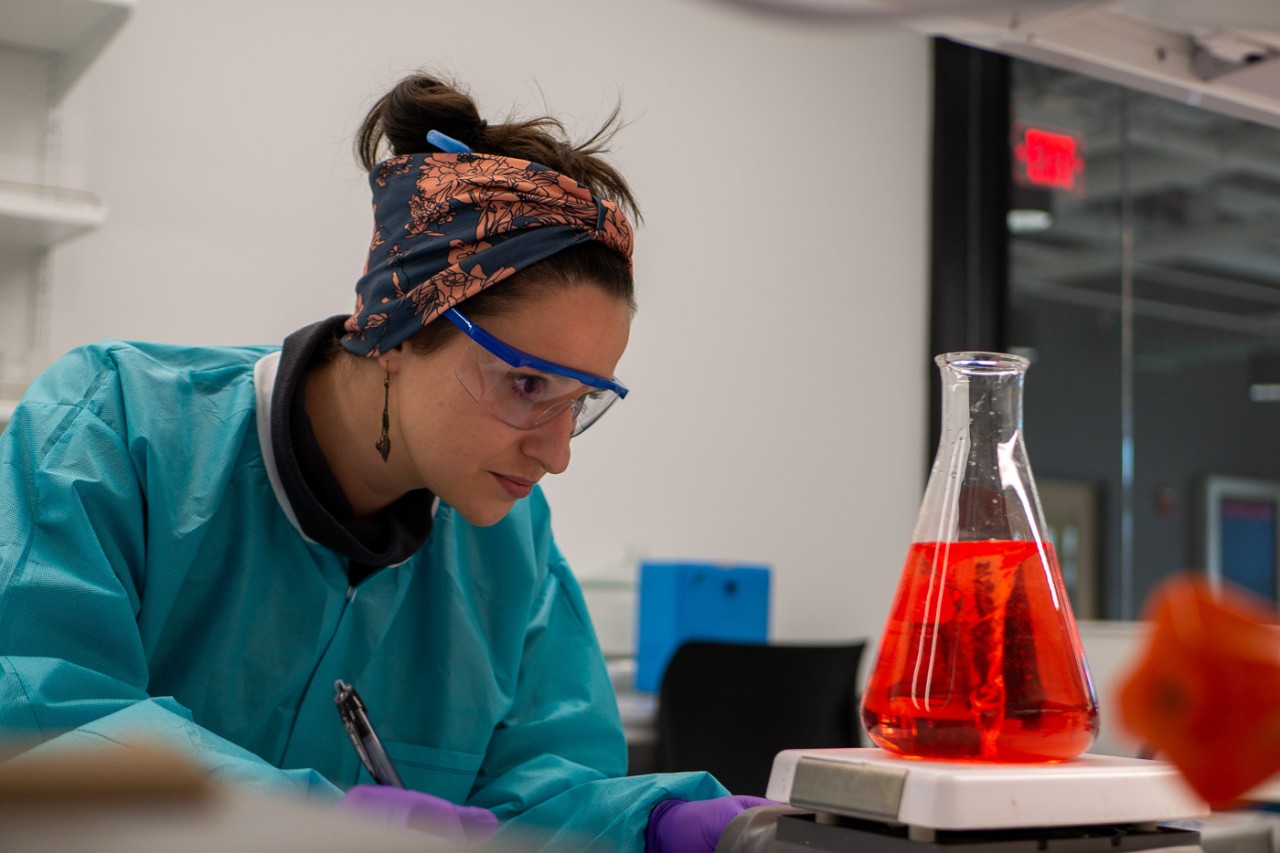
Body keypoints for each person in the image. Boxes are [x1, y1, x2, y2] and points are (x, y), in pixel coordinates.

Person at [0, 73, 770, 851]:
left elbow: (543, 791)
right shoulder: (116, 427)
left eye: (582, 401)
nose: (557, 453)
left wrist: (652, 824)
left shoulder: (509, 544)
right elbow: (39, 722)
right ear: (402, 328)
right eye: (527, 383)